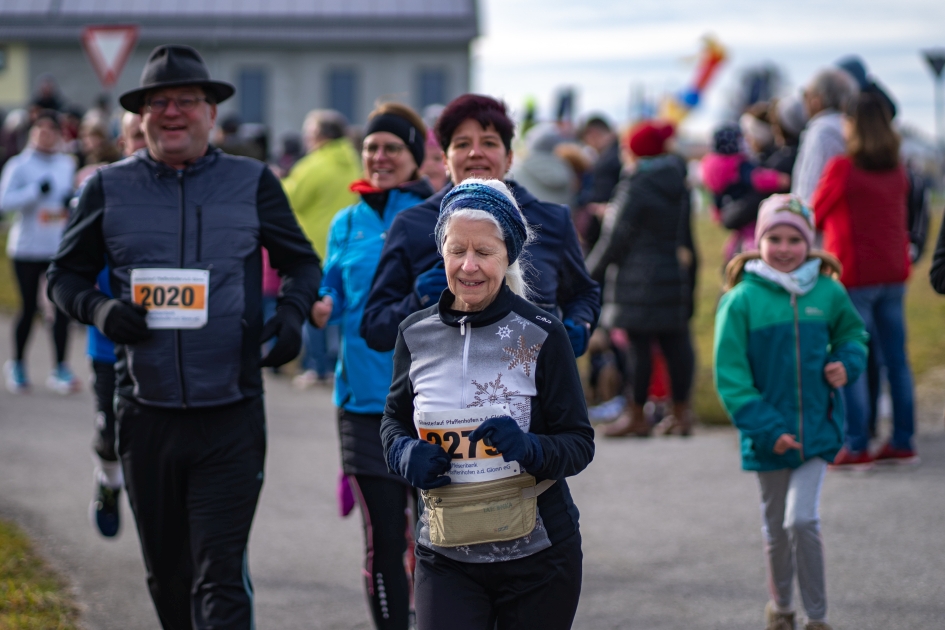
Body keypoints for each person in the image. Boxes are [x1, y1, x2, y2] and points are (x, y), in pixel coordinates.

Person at [46, 44, 321, 630]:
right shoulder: (107, 188)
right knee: (168, 578)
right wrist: (99, 310)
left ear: (211, 112)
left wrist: (294, 314)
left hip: (232, 411)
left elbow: (301, 262)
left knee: (220, 574)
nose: (173, 112)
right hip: (146, 416)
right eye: (159, 103)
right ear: (141, 117)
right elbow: (62, 277)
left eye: (187, 101)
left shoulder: (252, 182)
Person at [380, 178, 594, 629]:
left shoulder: (542, 333)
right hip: (445, 553)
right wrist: (404, 454)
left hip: (538, 555)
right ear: (442, 251)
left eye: (485, 252)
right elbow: (393, 422)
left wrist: (529, 449)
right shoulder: (414, 333)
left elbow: (578, 443)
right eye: (457, 250)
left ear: (509, 255)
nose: (469, 266)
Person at [714, 194, 867, 630]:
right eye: (773, 237)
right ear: (758, 240)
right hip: (767, 437)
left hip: (818, 430)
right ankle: (781, 609)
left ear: (810, 241)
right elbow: (731, 376)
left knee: (802, 519)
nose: (784, 248)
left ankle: (817, 618)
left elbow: (854, 334)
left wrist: (848, 362)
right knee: (775, 528)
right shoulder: (741, 300)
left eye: (794, 239)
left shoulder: (828, 291)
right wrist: (766, 428)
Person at [308, 102, 433, 630]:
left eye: (392, 148)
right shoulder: (346, 220)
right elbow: (331, 281)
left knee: (437, 537)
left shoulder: (439, 214)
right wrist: (320, 302)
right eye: (372, 149)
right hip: (361, 400)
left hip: (430, 400)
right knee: (383, 536)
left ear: (415, 157)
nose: (379, 157)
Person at [360, 94, 600, 359]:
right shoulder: (411, 224)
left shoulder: (551, 219)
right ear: (445, 159)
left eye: (489, 142)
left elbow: (584, 293)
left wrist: (580, 324)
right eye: (462, 144)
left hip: (534, 392)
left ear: (509, 158)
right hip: (445, 393)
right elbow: (374, 328)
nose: (475, 152)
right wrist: (418, 298)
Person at [812, 93, 917, 467]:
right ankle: (903, 440)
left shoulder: (843, 169)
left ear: (853, 124)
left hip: (854, 274)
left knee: (850, 357)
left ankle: (855, 444)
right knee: (896, 361)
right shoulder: (897, 169)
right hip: (893, 271)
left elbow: (816, 212)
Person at [585, 120, 696, 437]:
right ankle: (680, 413)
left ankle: (636, 415)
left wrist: (586, 274)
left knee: (639, 348)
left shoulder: (635, 184)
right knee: (675, 343)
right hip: (672, 272)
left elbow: (614, 239)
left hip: (638, 278)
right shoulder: (678, 182)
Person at [80, 111, 147, 539]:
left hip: (170, 350)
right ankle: (108, 483)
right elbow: (68, 272)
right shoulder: (102, 193)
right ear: (123, 144)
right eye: (137, 135)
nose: (147, 141)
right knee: (110, 436)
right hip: (110, 347)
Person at [1, 109, 79, 394]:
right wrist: (34, 191)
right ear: (32, 133)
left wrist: (69, 200)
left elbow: (71, 201)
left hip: (57, 249)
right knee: (28, 308)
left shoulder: (66, 164)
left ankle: (60, 369)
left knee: (60, 310)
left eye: (50, 129)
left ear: (59, 134)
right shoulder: (18, 165)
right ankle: (18, 365)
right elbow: (4, 203)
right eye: (40, 129)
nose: (45, 134)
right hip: (26, 248)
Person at [282, 109, 360, 387]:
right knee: (342, 308)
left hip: (315, 247)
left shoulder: (313, 165)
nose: (306, 139)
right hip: (351, 245)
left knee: (315, 306)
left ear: (321, 136)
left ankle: (318, 367)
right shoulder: (355, 161)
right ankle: (340, 366)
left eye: (309, 133)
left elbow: (287, 198)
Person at [701, 122, 790, 262]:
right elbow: (756, 178)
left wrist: (717, 212)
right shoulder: (737, 164)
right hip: (746, 211)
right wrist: (779, 180)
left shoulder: (711, 166)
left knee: (737, 239)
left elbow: (715, 195)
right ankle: (752, 258)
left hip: (729, 211)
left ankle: (732, 257)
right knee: (752, 238)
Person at [791, 69, 859, 206]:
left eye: (806, 95)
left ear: (817, 100)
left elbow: (808, 188)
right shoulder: (854, 128)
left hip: (823, 222)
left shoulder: (821, 132)